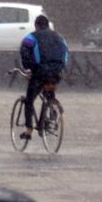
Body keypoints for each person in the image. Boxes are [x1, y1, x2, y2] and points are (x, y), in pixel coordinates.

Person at [18, 13, 70, 141]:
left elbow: (24, 52)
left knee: (29, 100)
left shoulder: (31, 37)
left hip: (40, 73)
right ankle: (50, 112)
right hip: (57, 72)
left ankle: (28, 130)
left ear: (36, 26)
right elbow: (66, 53)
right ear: (48, 25)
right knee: (48, 93)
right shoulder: (60, 37)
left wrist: (29, 68)